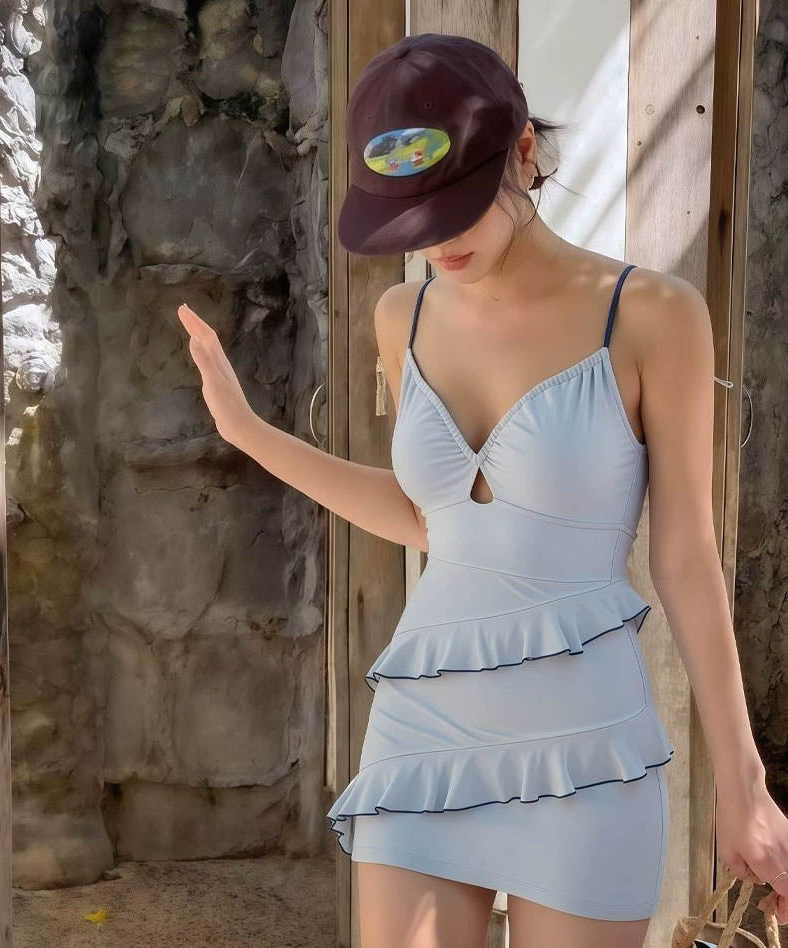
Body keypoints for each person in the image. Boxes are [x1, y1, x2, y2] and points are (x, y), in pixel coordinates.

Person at [177, 30, 788, 948]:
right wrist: (249, 435)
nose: (434, 239)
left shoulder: (653, 315)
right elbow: (433, 519)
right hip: (424, 737)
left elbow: (686, 559)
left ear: (524, 150)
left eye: (454, 206)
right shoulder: (403, 315)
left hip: (585, 752)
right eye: (410, 218)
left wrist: (744, 782)